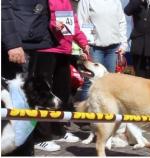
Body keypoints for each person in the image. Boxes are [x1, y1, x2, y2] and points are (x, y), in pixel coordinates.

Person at [32, 0, 90, 151]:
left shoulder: (68, 3)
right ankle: (40, 137)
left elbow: (74, 25)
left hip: (65, 51)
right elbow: (39, 17)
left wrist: (84, 43)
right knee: (43, 93)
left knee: (63, 92)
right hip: (47, 48)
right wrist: (53, 24)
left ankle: (58, 129)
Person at [1, 0, 57, 155]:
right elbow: (3, 6)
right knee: (16, 105)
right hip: (16, 44)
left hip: (30, 41)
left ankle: (24, 150)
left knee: (24, 104)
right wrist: (12, 43)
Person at [77, 0, 128, 101]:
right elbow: (80, 22)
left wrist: (123, 45)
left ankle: (104, 113)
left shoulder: (116, 1)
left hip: (114, 48)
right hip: (94, 47)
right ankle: (85, 114)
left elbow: (122, 22)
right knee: (90, 82)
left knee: (109, 83)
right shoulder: (85, 1)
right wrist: (84, 43)